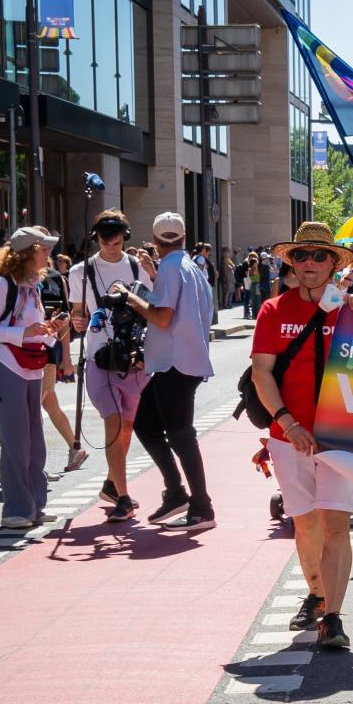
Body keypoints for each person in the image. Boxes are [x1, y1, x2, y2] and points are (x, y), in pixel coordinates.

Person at [251, 222, 353, 650]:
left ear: (333, 263)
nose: (308, 263)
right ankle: (316, 593)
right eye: (301, 256)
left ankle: (332, 616)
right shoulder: (274, 311)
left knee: (336, 523)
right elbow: (262, 372)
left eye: (318, 256)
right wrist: (289, 423)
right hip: (287, 434)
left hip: (340, 437)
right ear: (291, 262)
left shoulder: (350, 309)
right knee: (306, 521)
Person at [116, 211, 216, 531]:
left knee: (179, 433)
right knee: (148, 422)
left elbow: (161, 317)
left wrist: (130, 297)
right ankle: (177, 494)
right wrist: (154, 272)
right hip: (182, 360)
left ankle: (201, 505)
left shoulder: (172, 268)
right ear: (183, 237)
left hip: (175, 362)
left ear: (156, 241)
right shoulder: (188, 265)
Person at [0, 226, 68, 530]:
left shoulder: (32, 286)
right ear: (26, 253)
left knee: (34, 440)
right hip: (3, 365)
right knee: (17, 440)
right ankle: (15, 509)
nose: (48, 254)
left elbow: (33, 330)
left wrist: (52, 332)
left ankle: (34, 506)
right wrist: (23, 333)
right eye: (43, 249)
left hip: (29, 366)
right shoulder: (2, 286)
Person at [69, 211, 152, 521]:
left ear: (125, 237)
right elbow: (78, 315)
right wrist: (77, 321)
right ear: (96, 239)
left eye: (117, 242)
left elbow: (150, 308)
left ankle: (112, 484)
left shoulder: (135, 267)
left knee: (127, 427)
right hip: (99, 358)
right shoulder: (80, 272)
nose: (112, 247)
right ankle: (125, 497)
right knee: (114, 424)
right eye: (106, 242)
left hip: (133, 358)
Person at [35, 254, 87, 472]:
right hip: (25, 351)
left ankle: (34, 463)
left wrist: (66, 357)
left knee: (32, 406)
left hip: (45, 352)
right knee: (50, 404)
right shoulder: (17, 277)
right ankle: (75, 448)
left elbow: (65, 319)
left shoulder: (56, 278)